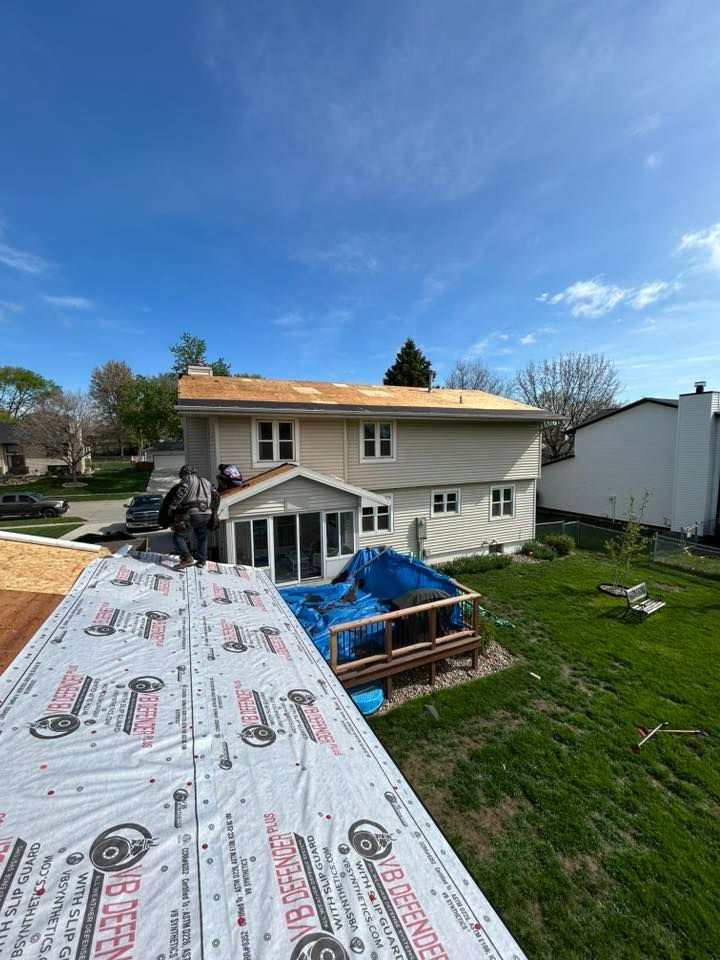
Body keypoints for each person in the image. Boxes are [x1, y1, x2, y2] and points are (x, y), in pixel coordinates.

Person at [168, 464, 219, 571]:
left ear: (184, 473)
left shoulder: (188, 478)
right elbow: (216, 496)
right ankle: (202, 560)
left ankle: (187, 558)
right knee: (201, 537)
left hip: (192, 513)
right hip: (206, 514)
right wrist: (214, 512)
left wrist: (172, 508)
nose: (181, 478)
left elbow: (181, 493)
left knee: (178, 536)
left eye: (181, 476)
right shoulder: (207, 481)